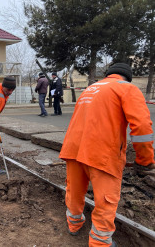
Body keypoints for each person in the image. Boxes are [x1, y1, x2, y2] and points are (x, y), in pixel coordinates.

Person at [59, 63, 155, 247]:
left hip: (74, 149)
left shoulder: (90, 89)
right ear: (128, 77)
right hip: (102, 153)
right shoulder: (127, 88)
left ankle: (74, 225)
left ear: (109, 74)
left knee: (74, 191)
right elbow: (142, 129)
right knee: (106, 200)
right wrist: (145, 160)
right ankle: (100, 242)